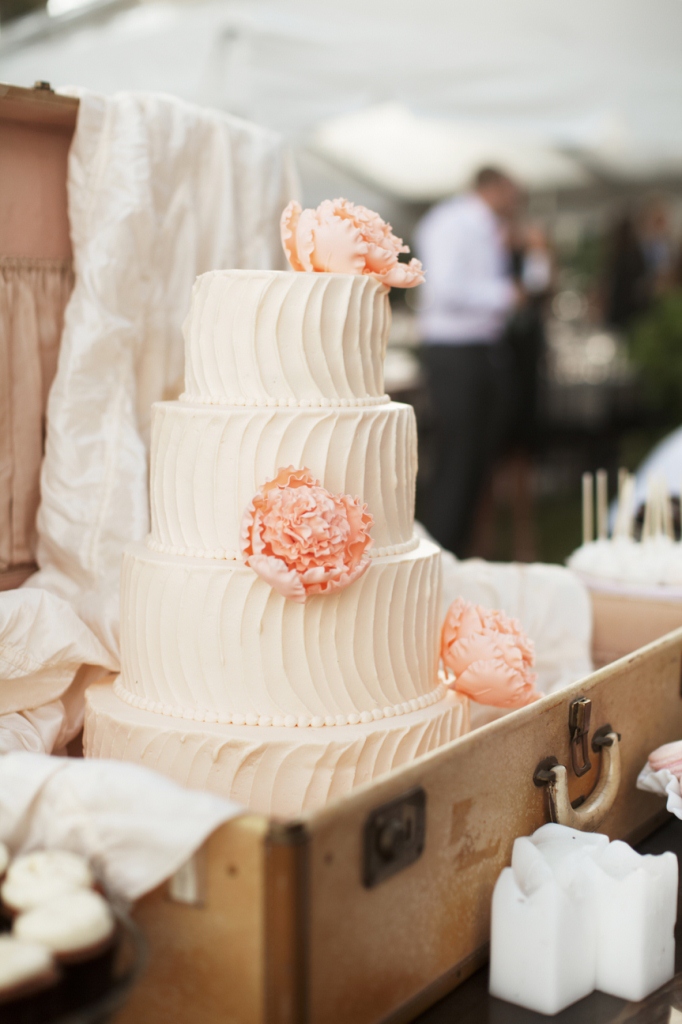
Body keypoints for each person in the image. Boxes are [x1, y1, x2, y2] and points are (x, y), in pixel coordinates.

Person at [414, 166, 521, 556]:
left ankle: (459, 551)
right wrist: (506, 296)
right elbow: (444, 288)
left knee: (476, 459)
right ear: (493, 186)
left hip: (481, 351)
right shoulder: (450, 223)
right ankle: (440, 551)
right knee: (456, 459)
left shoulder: (489, 228)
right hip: (454, 352)